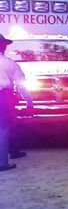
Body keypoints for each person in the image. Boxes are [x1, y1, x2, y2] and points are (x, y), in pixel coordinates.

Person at [0, 33, 33, 172]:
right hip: (4, 97)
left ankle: (13, 150)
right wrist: (29, 102)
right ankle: (2, 163)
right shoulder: (10, 64)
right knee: (4, 129)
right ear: (3, 46)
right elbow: (21, 85)